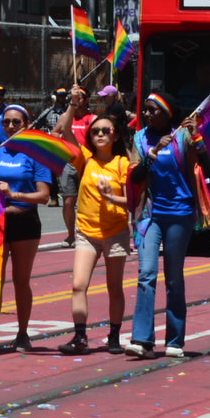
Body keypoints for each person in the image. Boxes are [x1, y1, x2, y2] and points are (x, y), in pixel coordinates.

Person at [126, 93, 204, 359]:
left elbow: (208, 169)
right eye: (145, 110)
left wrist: (198, 138)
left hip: (180, 214)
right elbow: (135, 175)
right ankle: (142, 340)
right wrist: (153, 153)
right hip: (150, 215)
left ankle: (175, 340)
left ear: (167, 113)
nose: (147, 114)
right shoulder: (140, 138)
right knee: (146, 274)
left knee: (173, 277)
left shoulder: (182, 136)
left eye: (152, 110)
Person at [0, 103, 52, 356]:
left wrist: (14, 194)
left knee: (21, 280)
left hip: (25, 221)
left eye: (16, 122)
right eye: (5, 122)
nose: (10, 126)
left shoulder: (36, 154)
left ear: (25, 125)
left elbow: (44, 196)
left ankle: (22, 333)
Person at [57, 114, 133, 354]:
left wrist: (110, 196)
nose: (100, 134)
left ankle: (114, 336)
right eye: (94, 131)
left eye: (105, 130)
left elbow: (132, 202)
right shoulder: (85, 159)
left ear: (116, 135)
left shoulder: (122, 163)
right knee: (78, 285)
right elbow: (64, 128)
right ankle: (80, 336)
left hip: (115, 232)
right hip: (86, 232)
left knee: (114, 288)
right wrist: (72, 104)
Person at [51, 86, 94, 246]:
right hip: (68, 162)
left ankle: (87, 232)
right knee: (68, 201)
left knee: (87, 200)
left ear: (87, 100)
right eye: (75, 97)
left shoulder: (93, 119)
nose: (77, 100)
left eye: (80, 97)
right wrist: (62, 141)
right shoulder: (65, 116)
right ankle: (70, 234)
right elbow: (55, 132)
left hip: (87, 163)